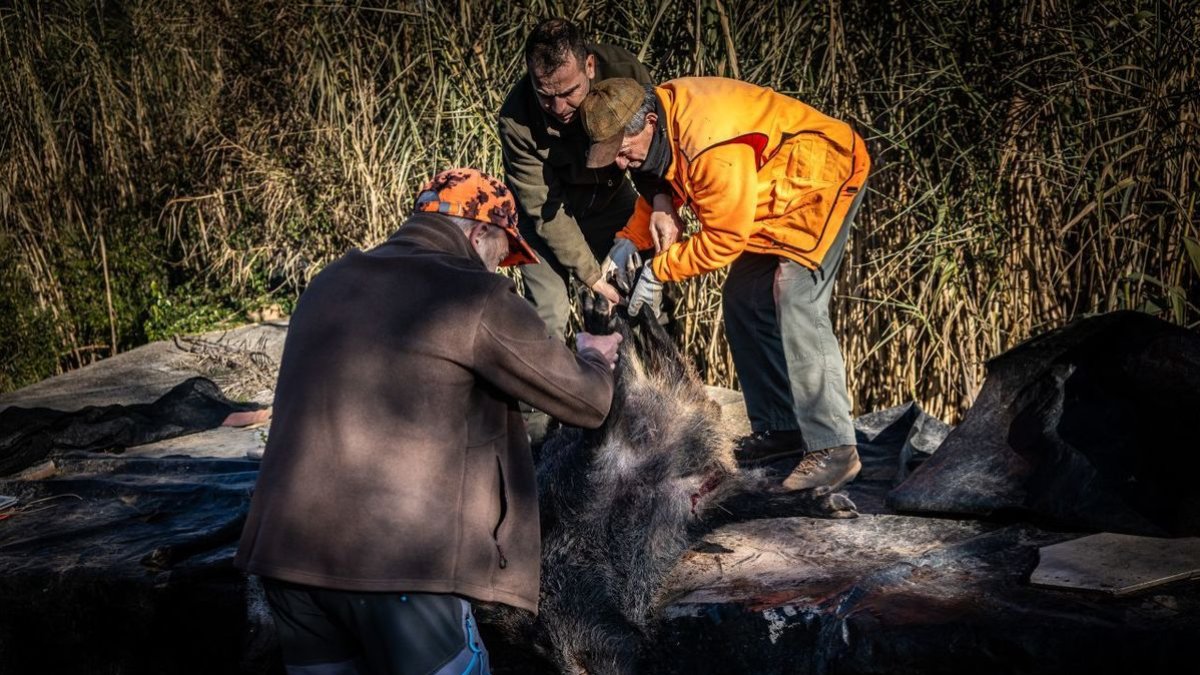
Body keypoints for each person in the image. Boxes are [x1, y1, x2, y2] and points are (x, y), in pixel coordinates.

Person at [235, 168, 621, 675]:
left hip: (288, 562)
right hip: (403, 570)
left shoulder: (330, 282)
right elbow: (587, 403)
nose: (499, 269)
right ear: (480, 232)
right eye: (501, 254)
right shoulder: (473, 295)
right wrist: (594, 355)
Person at [579, 77, 871, 492]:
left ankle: (834, 448)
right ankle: (782, 428)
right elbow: (670, 189)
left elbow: (725, 240)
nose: (622, 164)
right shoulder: (664, 120)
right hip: (771, 197)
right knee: (743, 298)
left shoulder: (708, 142)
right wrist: (631, 241)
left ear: (647, 123)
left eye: (624, 152)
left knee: (796, 296)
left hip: (819, 180)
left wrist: (659, 272)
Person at [499, 17, 667, 343]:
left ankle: (661, 386)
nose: (559, 108)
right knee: (546, 314)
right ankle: (545, 391)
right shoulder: (515, 118)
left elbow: (655, 144)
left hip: (611, 197)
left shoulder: (626, 73)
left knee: (643, 298)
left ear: (589, 65)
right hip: (547, 215)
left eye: (569, 92)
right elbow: (542, 204)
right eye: (546, 96)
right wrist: (591, 275)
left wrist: (660, 197)